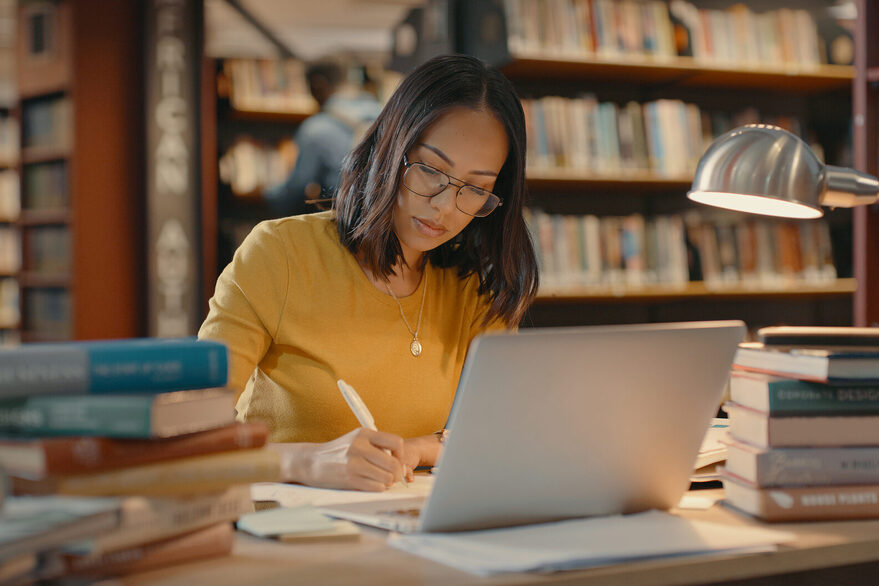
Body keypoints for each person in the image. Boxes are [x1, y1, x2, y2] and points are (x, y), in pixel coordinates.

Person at [199, 54, 539, 491]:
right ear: (389, 146)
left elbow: (494, 434)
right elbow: (189, 433)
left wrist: (416, 449)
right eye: (431, 170)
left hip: (407, 531)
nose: (445, 206)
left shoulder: (477, 288)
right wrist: (305, 461)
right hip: (284, 531)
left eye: (475, 189)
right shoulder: (281, 254)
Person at [262, 59, 383, 216]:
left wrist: (268, 195)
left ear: (317, 84)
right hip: (384, 219)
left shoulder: (316, 129)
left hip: (345, 221)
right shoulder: (385, 113)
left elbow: (296, 189)